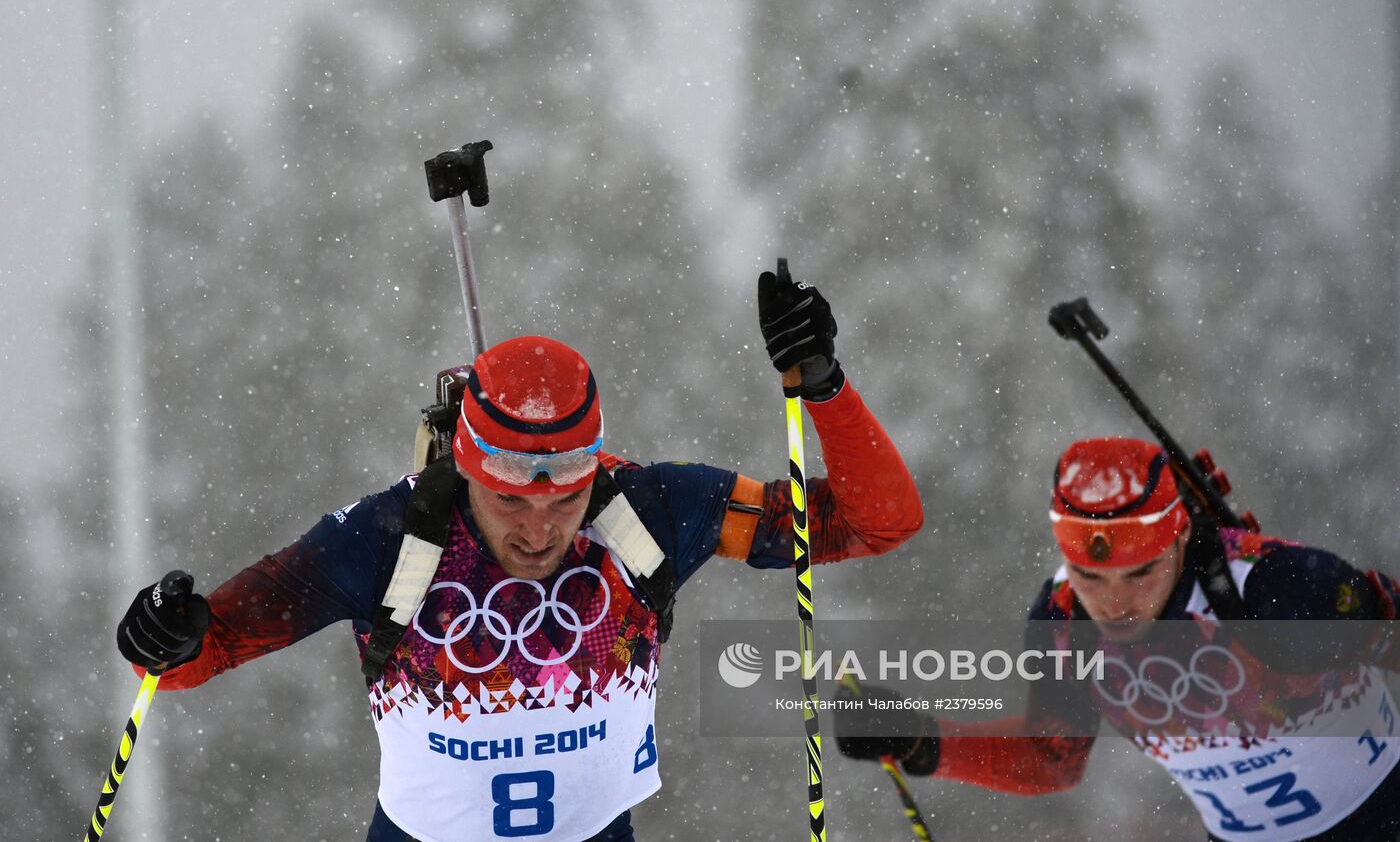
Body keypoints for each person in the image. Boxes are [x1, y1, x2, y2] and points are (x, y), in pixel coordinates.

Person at [115, 270, 924, 842]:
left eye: (564, 499)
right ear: (464, 466)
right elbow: (194, 655)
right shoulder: (386, 537)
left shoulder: (652, 508)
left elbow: (875, 521)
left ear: (596, 469)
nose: (539, 531)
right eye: (509, 499)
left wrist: (824, 385)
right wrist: (166, 633)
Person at [835, 437, 1400, 842]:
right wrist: (921, 741)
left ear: (1180, 542)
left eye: (1140, 573)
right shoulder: (1062, 625)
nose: (1113, 602)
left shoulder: (1272, 585)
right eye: (1089, 576)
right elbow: (1052, 758)